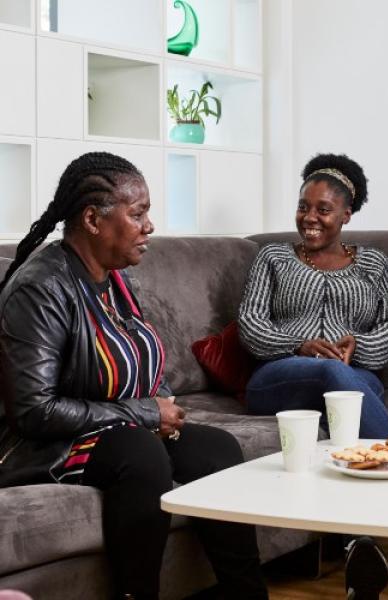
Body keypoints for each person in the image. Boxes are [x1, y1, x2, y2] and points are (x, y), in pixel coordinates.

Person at [0, 152, 267, 599]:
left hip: (117, 425)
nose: (150, 226)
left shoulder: (116, 279)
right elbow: (33, 412)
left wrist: (157, 403)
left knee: (217, 448)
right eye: (138, 213)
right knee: (140, 453)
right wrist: (145, 414)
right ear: (92, 219)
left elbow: (141, 359)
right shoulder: (40, 289)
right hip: (43, 445)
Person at [238, 153, 388, 438]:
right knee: (339, 379)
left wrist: (357, 345)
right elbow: (251, 323)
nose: (309, 218)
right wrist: (299, 345)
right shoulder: (273, 257)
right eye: (303, 207)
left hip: (354, 372)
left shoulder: (374, 263)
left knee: (350, 388)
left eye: (323, 210)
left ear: (346, 215)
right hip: (280, 376)